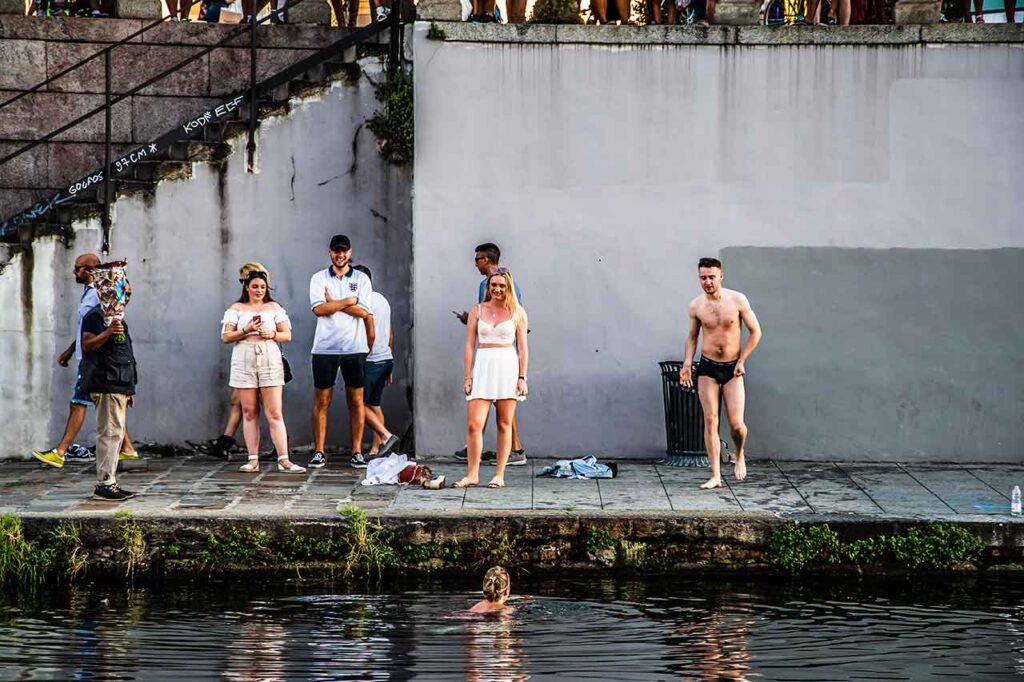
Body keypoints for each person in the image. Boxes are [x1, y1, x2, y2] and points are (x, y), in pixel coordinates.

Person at [33, 253, 139, 469]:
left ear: (91, 270)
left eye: (79, 268)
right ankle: (128, 448)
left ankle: (61, 451)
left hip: (95, 359)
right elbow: (86, 329)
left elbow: (105, 327)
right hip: (87, 355)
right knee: (108, 405)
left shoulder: (101, 296)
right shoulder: (88, 294)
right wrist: (71, 350)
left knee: (79, 403)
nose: (75, 272)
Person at [679, 257, 762, 490]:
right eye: (703, 277)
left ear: (721, 276)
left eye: (711, 277)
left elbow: (756, 332)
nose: (707, 282)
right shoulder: (696, 306)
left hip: (733, 367)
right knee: (710, 420)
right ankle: (715, 475)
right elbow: (693, 337)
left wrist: (742, 360)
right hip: (707, 367)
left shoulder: (737, 300)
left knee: (737, 425)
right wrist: (687, 364)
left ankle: (739, 452)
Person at [221, 270, 305, 473]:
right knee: (249, 411)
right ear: (247, 288)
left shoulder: (274, 307)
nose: (259, 290)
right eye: (255, 286)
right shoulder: (236, 308)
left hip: (269, 355)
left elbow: (287, 335)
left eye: (262, 287)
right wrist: (246, 330)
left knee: (274, 411)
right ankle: (253, 459)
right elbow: (226, 336)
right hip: (244, 356)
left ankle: (284, 459)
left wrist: (273, 333)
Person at [454, 243, 527, 467]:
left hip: (504, 359)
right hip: (486, 359)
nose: (475, 264)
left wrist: (522, 376)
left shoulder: (487, 285)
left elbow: (516, 329)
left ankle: (513, 450)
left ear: (486, 260)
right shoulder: (490, 290)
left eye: (477, 260)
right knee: (480, 415)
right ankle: (481, 453)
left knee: (503, 411)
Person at [309, 234, 376, 469]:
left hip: (354, 347)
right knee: (322, 400)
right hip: (325, 347)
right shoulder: (319, 278)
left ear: (350, 252)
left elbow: (364, 312)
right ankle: (319, 451)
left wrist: (334, 303)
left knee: (356, 401)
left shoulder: (361, 279)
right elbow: (319, 309)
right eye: (336, 251)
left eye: (344, 251)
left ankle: (356, 451)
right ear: (330, 252)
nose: (340, 255)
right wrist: (348, 300)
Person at [195, 262, 271, 460]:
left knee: (266, 405)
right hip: (247, 361)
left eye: (243, 280)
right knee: (239, 402)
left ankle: (277, 446)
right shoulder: (240, 307)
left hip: (262, 361)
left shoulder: (264, 307)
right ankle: (225, 441)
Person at [79, 301, 138, 500]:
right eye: (123, 293)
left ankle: (109, 481)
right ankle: (105, 483)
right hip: (105, 383)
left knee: (115, 434)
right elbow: (87, 344)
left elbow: (125, 354)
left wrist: (129, 388)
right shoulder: (96, 317)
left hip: (118, 383)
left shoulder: (119, 319)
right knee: (109, 433)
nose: (125, 298)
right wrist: (108, 333)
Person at [351, 265, 400, 457]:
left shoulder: (363, 302)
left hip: (369, 359)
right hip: (385, 358)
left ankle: (386, 436)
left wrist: (362, 357)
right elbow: (390, 333)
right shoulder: (382, 299)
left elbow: (369, 335)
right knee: (373, 404)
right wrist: (390, 360)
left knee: (357, 403)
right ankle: (377, 447)